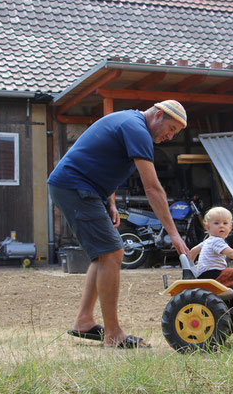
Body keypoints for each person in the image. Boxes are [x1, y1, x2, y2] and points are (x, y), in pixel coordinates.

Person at [47, 100, 191, 348]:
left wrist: (111, 202)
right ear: (158, 115)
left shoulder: (131, 123)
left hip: (84, 187)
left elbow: (106, 163)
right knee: (113, 252)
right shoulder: (136, 129)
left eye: (175, 133)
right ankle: (113, 335)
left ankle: (84, 321)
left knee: (104, 255)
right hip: (74, 186)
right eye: (171, 129)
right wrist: (174, 234)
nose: (170, 136)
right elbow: (153, 188)